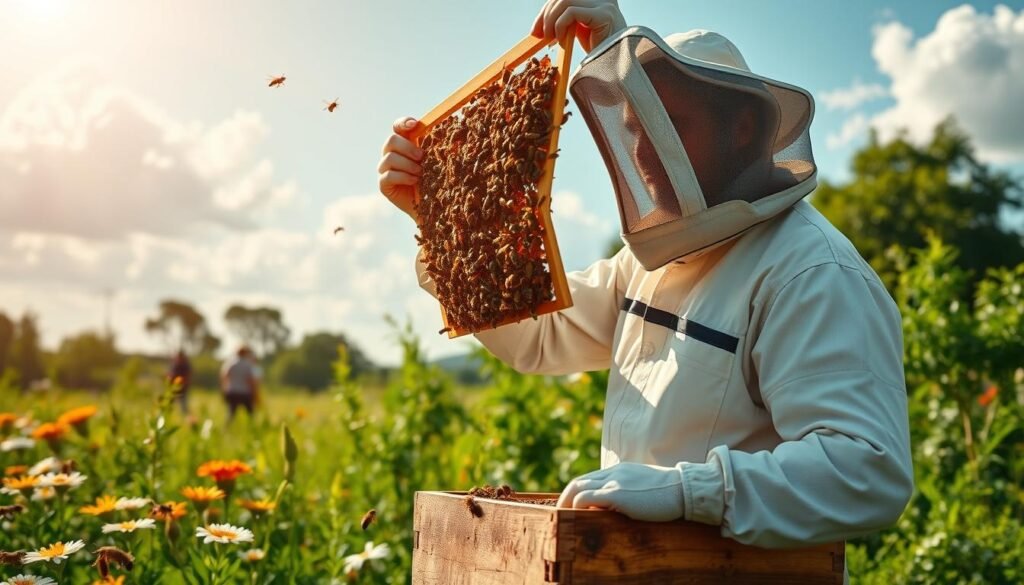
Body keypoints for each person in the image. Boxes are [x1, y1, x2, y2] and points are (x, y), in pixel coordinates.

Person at [378, 1, 912, 580]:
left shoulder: (810, 273)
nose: (641, 150)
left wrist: (690, 492)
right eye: (632, 129)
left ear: (742, 127)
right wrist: (439, 225)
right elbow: (541, 336)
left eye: (671, 123)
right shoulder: (651, 264)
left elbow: (867, 471)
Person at [220, 346, 259, 421]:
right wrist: (255, 393)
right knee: (251, 413)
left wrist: (224, 390)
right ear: (245, 353)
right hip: (245, 392)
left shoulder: (230, 364)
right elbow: (251, 381)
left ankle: (226, 430)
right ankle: (254, 429)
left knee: (231, 413)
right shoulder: (248, 365)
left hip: (232, 391)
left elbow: (224, 377)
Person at [168, 349, 192, 414]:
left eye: (180, 357)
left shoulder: (186, 365)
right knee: (169, 404)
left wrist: (183, 383)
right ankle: (167, 415)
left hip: (183, 388)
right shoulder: (174, 364)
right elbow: (171, 374)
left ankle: (186, 418)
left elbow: (188, 376)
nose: (178, 358)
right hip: (173, 387)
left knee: (184, 406)